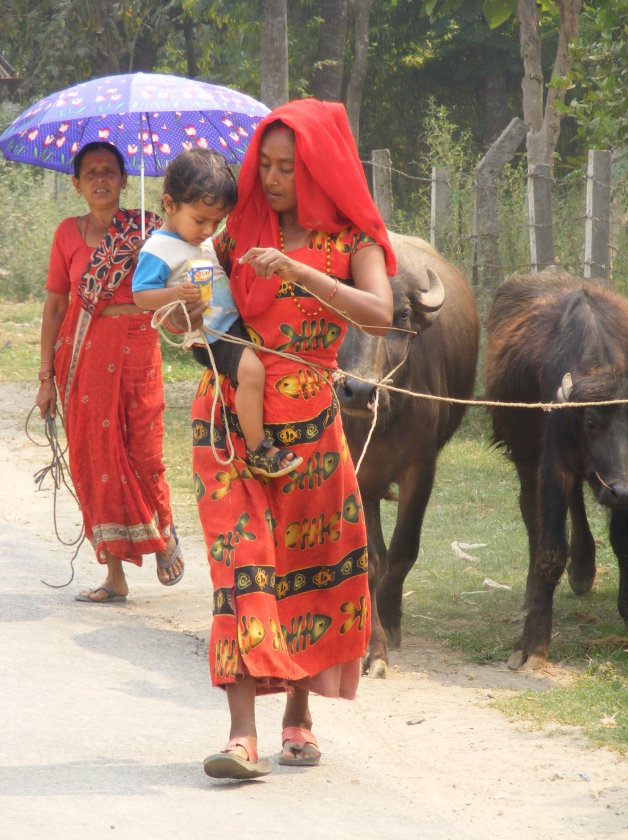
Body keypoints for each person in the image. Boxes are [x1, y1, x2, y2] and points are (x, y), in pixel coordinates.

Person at [182, 98, 396, 779]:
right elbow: (192, 294)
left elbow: (381, 315)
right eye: (264, 165)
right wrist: (184, 313)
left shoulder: (352, 242)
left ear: (321, 169)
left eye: (287, 168)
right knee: (243, 571)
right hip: (228, 430)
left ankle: (297, 718)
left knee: (306, 575)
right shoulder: (233, 234)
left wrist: (300, 271)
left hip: (311, 433)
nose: (271, 180)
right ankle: (241, 736)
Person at [35, 141, 184, 603]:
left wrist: (152, 248)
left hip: (139, 347)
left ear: (124, 179)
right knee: (97, 459)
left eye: (110, 171)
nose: (101, 179)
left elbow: (186, 273)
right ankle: (114, 576)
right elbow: (57, 304)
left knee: (144, 454)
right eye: (91, 172)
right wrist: (44, 376)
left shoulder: (149, 228)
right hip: (83, 354)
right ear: (77, 183)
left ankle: (163, 528)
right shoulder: (67, 234)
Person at [133, 148, 301, 479]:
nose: (210, 229)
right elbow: (140, 295)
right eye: (201, 220)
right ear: (170, 205)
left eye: (217, 222)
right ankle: (259, 450)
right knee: (251, 373)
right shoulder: (158, 248)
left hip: (230, 324)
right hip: (212, 335)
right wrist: (173, 295)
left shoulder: (197, 237)